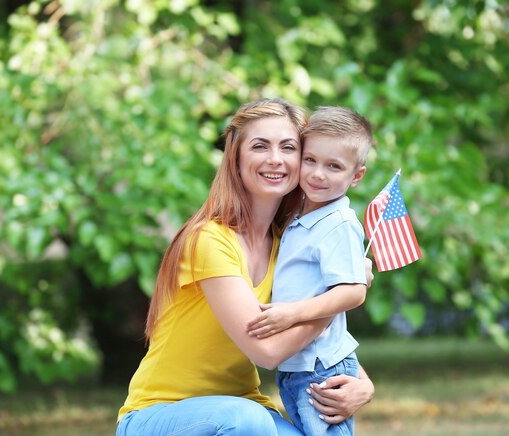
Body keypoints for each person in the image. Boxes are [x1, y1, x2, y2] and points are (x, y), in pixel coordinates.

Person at [116, 98, 375, 435]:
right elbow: (266, 352)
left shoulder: (290, 242)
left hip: (244, 406)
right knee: (247, 421)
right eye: (260, 146)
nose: (275, 159)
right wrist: (347, 292)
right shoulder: (209, 240)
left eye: (288, 147)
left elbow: (323, 335)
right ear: (236, 158)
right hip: (158, 415)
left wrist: (361, 383)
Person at [245, 106, 373, 435]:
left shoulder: (339, 223)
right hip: (298, 366)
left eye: (334, 166)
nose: (317, 174)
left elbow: (354, 291)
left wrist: (291, 314)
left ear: (356, 176)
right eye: (310, 160)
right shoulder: (298, 215)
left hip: (320, 369)